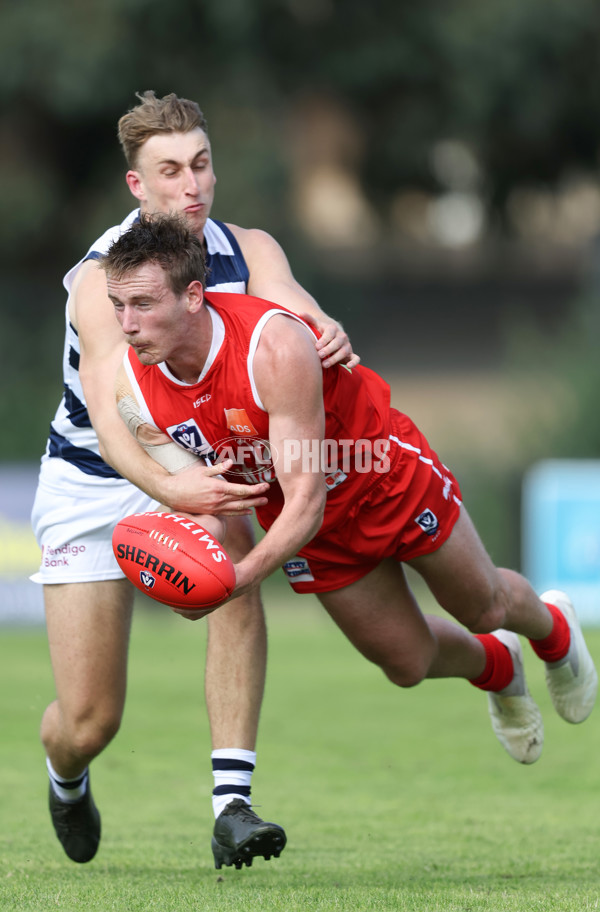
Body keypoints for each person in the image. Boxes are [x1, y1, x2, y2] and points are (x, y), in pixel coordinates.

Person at [103, 214, 597, 820]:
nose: (127, 325)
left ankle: (553, 631)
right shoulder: (134, 382)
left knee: (484, 606)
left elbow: (306, 496)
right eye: (117, 305)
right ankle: (498, 667)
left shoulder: (272, 346)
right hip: (312, 528)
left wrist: (239, 576)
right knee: (407, 664)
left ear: (193, 296)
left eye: (143, 305)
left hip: (381, 477)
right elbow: (168, 463)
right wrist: (180, 505)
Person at [31, 91, 358, 870]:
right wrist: (173, 490)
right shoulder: (99, 280)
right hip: (94, 473)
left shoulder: (246, 250)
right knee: (89, 719)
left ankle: (231, 808)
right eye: (170, 170)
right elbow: (116, 419)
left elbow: (292, 309)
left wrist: (324, 328)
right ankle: (65, 775)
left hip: (190, 453)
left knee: (232, 550)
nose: (193, 185)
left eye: (202, 164)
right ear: (136, 187)